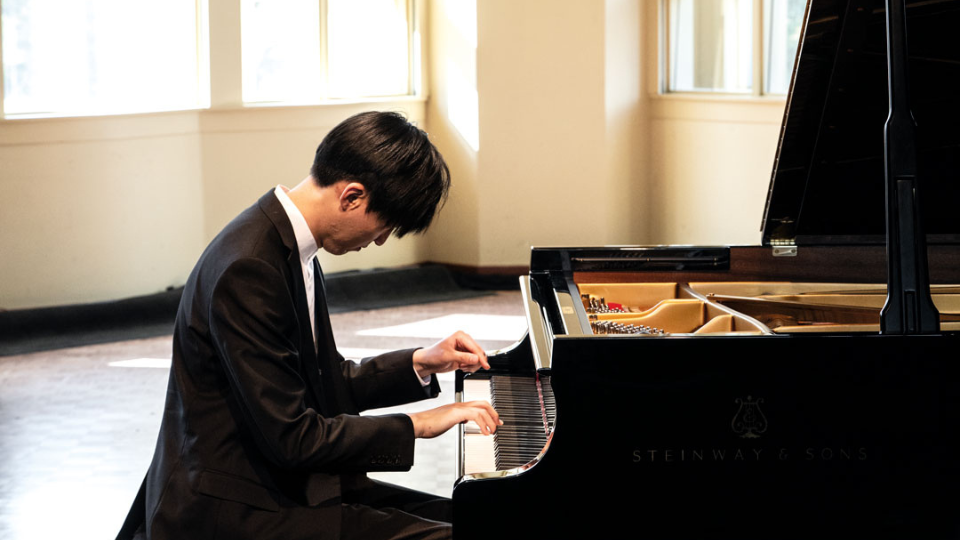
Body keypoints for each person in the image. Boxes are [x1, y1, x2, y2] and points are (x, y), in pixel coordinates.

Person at [117, 111, 501, 540]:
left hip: (278, 483)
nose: (378, 241)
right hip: (233, 507)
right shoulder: (250, 267)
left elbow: (323, 381)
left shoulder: (289, 247)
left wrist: (421, 363)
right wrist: (421, 424)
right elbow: (293, 436)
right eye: (385, 226)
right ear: (352, 196)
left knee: (486, 519)